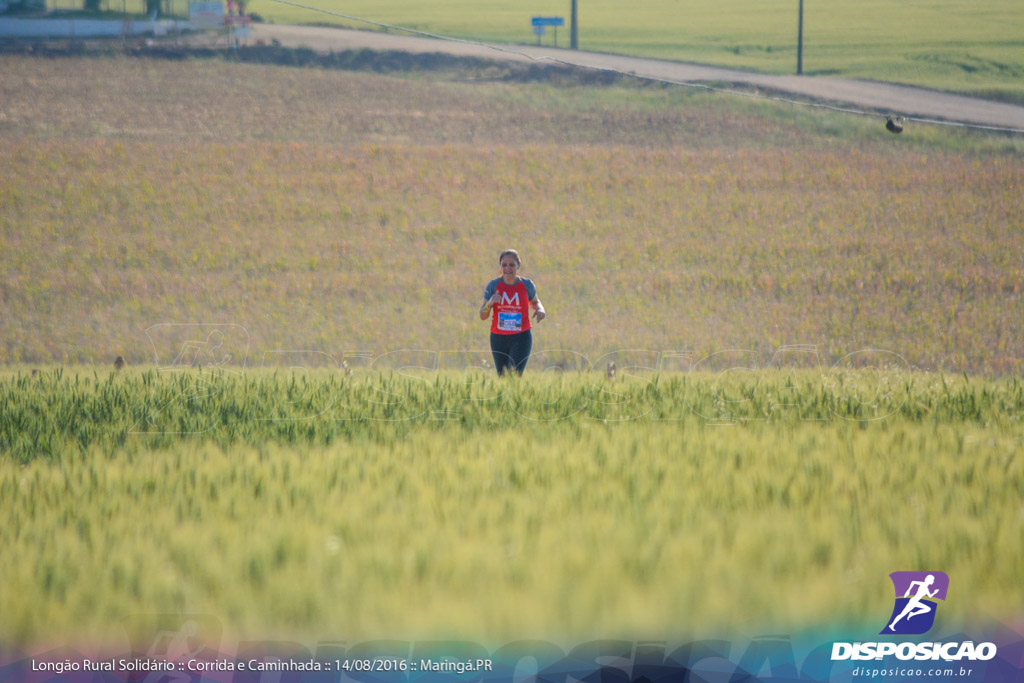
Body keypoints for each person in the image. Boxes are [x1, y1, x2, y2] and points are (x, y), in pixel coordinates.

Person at [479, 249, 545, 376]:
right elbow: (483, 315)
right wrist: (490, 303)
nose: (508, 269)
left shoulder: (527, 285)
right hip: (498, 338)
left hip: (521, 337)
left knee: (513, 375)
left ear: (518, 265)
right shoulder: (493, 286)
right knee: (502, 377)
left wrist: (540, 309)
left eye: (511, 265)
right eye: (504, 265)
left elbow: (535, 302)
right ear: (500, 267)